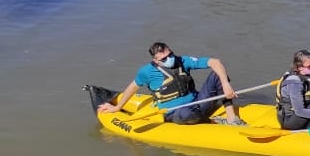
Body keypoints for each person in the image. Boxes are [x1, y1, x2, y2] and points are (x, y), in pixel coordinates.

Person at [97, 42, 245, 125]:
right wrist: (117, 107)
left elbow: (215, 62)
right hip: (175, 112)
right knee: (186, 113)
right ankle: (206, 119)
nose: (169, 59)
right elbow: (132, 87)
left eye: (170, 55)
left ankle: (231, 118)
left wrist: (225, 84)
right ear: (156, 60)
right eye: (164, 59)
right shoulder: (146, 72)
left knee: (218, 74)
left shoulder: (182, 61)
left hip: (198, 101)